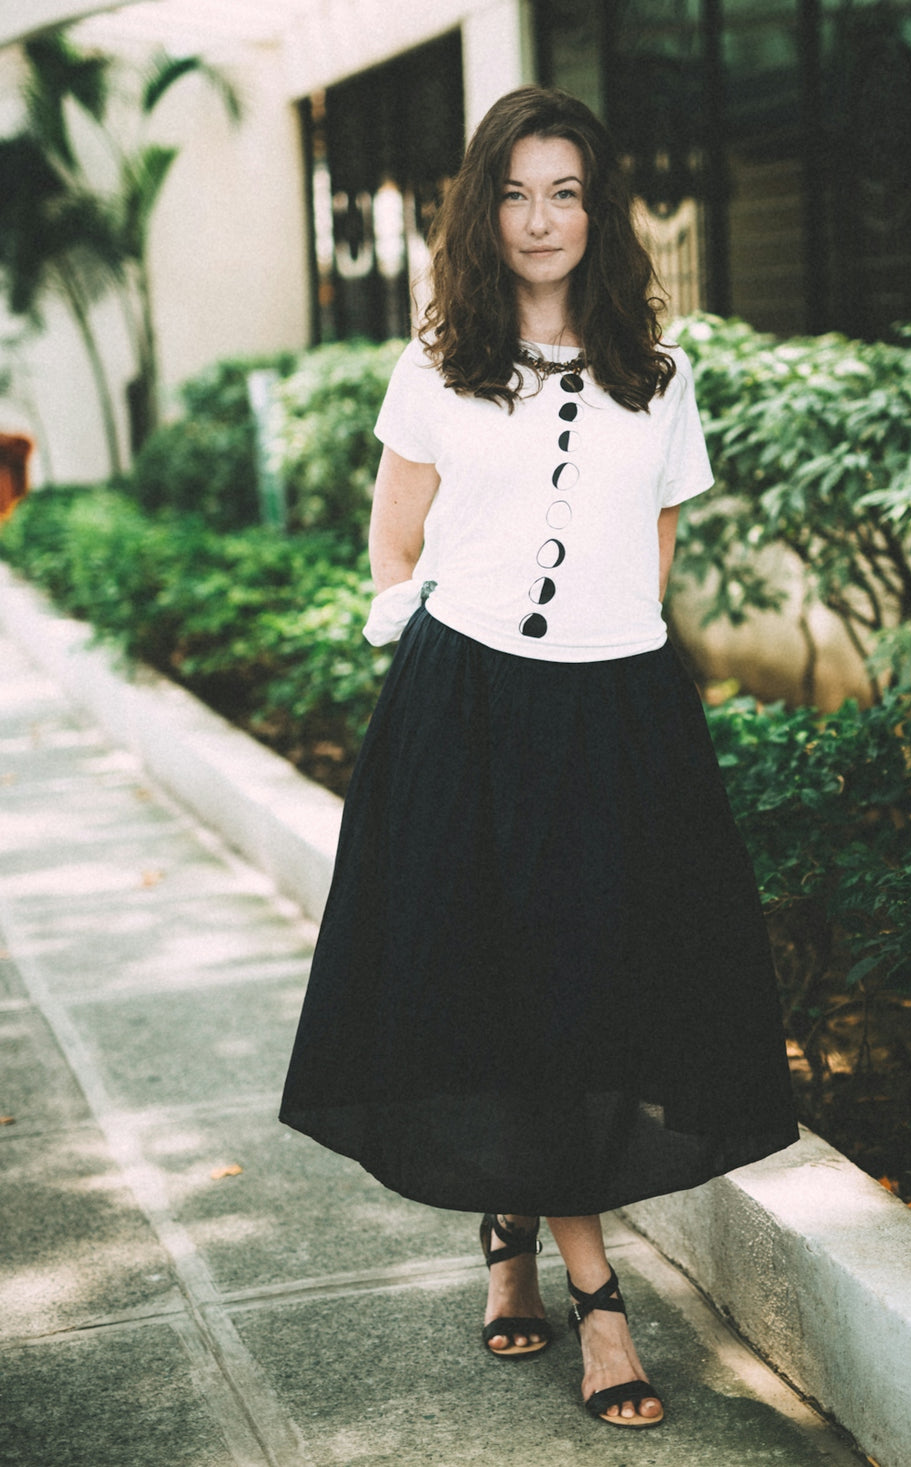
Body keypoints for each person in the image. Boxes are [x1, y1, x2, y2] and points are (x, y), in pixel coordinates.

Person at [280, 83, 798, 1430]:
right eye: (514, 191)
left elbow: (656, 558)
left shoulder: (662, 375)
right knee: (511, 989)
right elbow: (393, 546)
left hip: (618, 716)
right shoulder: (439, 363)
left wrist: (612, 668)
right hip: (469, 716)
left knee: (591, 993)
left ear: (599, 208)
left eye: (565, 190)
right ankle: (598, 1298)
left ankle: (509, 1230)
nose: (541, 218)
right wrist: (439, 666)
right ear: (480, 210)